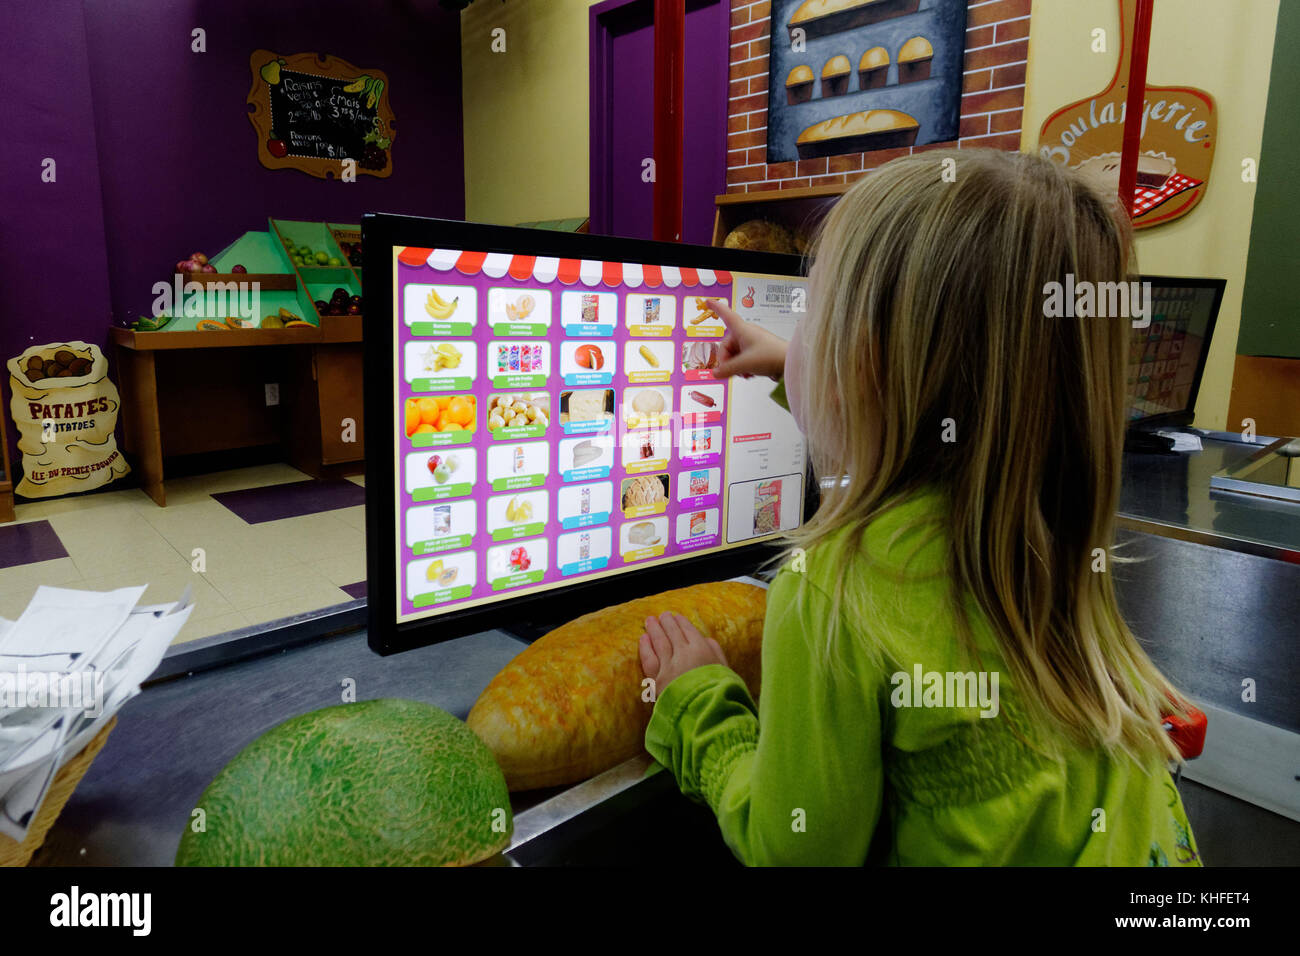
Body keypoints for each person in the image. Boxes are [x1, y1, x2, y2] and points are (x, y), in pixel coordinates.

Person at [637, 148, 1201, 866]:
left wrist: (699, 709)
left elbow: (798, 850)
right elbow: (923, 404)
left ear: (864, 364)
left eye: (813, 315)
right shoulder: (1037, 525)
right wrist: (793, 361)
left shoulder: (833, 592)